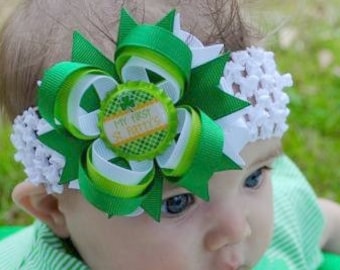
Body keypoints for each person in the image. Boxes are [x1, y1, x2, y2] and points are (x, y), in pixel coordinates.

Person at [0, 0, 340, 269]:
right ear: (53, 209)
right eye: (177, 202)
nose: (238, 230)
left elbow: (321, 219)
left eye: (253, 179)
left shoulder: (283, 227)